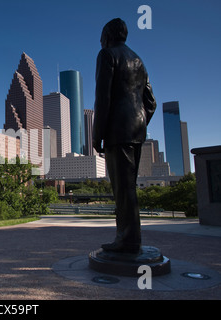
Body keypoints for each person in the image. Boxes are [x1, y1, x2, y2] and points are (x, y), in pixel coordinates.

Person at [93, 18, 156, 253]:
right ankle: (129, 238)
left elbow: (103, 99)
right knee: (129, 187)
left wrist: (97, 135)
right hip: (136, 131)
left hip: (117, 132)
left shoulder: (107, 55)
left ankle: (127, 240)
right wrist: (138, 124)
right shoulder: (138, 60)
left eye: (101, 36)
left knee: (122, 189)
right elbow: (151, 102)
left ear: (108, 35)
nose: (100, 41)